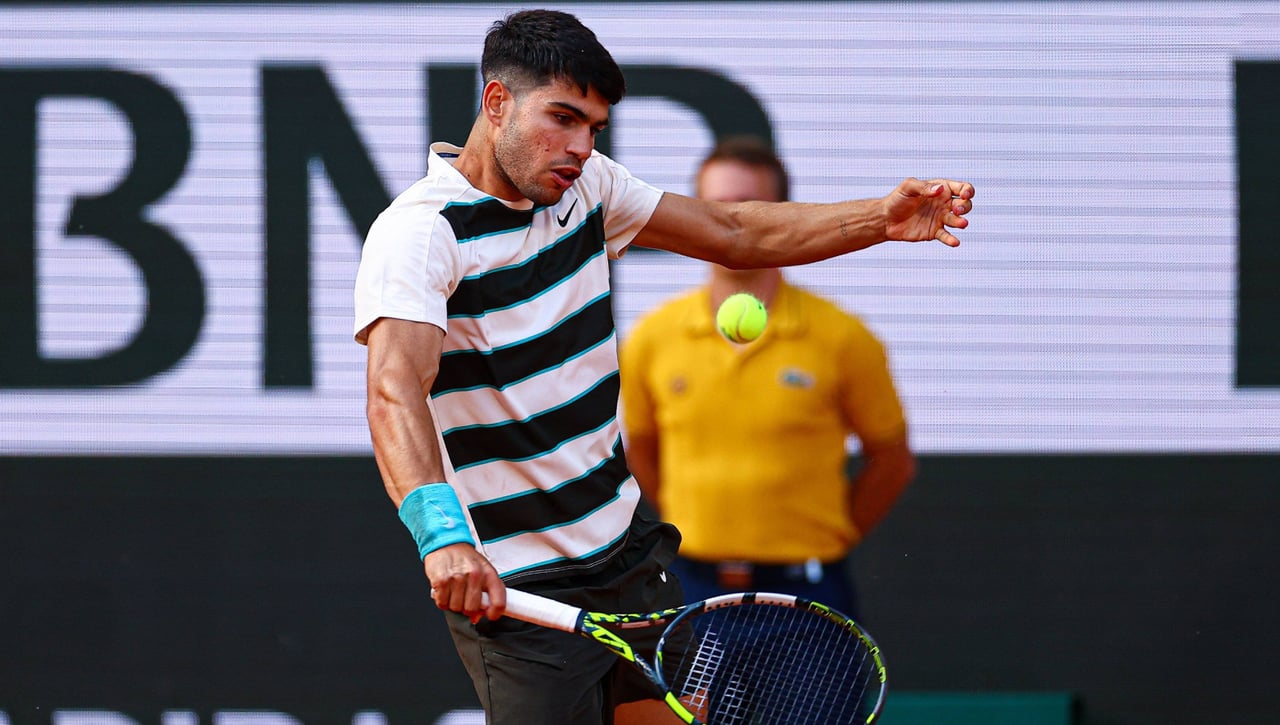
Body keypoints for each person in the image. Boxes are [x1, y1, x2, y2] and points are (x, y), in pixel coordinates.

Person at [353, 9, 973, 725]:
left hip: (627, 556)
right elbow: (394, 392)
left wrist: (879, 220)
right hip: (520, 586)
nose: (582, 146)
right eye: (563, 118)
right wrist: (444, 539)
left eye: (594, 128)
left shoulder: (587, 189)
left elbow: (735, 231)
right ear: (497, 104)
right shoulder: (420, 234)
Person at [619, 137, 916, 621]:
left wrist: (824, 538)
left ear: (782, 217)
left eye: (747, 208)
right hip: (692, 587)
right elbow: (643, 449)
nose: (729, 221)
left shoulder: (844, 337)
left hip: (809, 591)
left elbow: (892, 461)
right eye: (713, 207)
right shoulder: (653, 337)